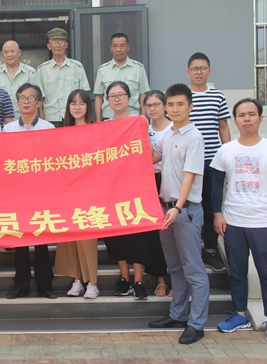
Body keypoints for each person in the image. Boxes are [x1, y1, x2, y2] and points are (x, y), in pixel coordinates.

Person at [211, 98, 267, 344]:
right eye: (242, 115)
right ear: (235, 120)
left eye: (252, 114)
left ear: (260, 118)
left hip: (263, 222)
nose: (247, 118)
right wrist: (217, 214)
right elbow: (216, 186)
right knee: (237, 272)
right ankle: (240, 314)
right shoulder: (226, 150)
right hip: (233, 221)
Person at [149, 83, 209, 345]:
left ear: (190, 107)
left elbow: (189, 176)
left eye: (180, 104)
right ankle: (178, 314)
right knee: (174, 267)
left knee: (193, 269)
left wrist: (177, 207)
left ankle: (197, 324)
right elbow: (151, 158)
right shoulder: (168, 135)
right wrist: (132, 133)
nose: (174, 109)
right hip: (166, 209)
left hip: (184, 211)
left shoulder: (194, 137)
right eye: (170, 104)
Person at [3, 84, 56, 300]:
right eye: (22, 98)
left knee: (41, 239)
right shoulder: (8, 129)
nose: (26, 101)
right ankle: (21, 285)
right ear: (17, 103)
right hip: (17, 191)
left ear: (39, 103)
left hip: (41, 190)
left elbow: (53, 158)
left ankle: (45, 285)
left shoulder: (48, 128)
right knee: (20, 240)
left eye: (31, 98)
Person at [102, 81, 151, 300]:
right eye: (112, 96)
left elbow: (148, 151)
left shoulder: (139, 121)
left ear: (129, 97)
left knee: (136, 235)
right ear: (107, 100)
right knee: (115, 236)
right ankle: (125, 278)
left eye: (120, 95)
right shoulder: (104, 125)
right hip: (111, 188)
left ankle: (139, 280)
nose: (117, 99)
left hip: (135, 187)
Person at [187, 52, 231, 272]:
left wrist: (228, 155)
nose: (199, 72)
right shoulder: (182, 97)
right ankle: (192, 250)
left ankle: (211, 250)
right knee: (190, 206)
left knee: (212, 206)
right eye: (195, 69)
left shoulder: (217, 96)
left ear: (209, 71)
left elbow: (223, 126)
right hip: (188, 163)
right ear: (188, 72)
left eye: (202, 68)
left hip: (213, 161)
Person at [53, 89, 99, 299]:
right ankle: (77, 279)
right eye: (73, 103)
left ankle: (93, 282)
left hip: (89, 191)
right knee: (70, 238)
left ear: (88, 106)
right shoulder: (62, 133)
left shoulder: (97, 130)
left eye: (81, 103)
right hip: (68, 192)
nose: (77, 107)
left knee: (87, 238)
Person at [144, 90, 172, 297]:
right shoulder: (142, 129)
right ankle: (161, 280)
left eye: (156, 104)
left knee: (174, 232)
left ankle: (178, 282)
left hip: (172, 182)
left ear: (165, 106)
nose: (152, 109)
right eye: (148, 105)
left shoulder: (175, 128)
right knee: (155, 235)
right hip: (149, 181)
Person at [34, 27, 90, 127]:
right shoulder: (42, 69)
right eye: (54, 42)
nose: (58, 45)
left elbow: (84, 95)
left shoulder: (77, 67)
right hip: (50, 118)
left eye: (61, 42)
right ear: (49, 46)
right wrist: (41, 119)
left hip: (73, 117)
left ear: (66, 45)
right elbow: (40, 98)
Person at [93, 33, 150, 119]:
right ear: (111, 48)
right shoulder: (103, 70)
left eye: (122, 46)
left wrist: (143, 117)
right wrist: (98, 121)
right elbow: (99, 97)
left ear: (128, 47)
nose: (118, 49)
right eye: (115, 46)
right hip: (109, 117)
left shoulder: (138, 68)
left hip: (132, 117)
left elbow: (143, 94)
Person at [0, 40, 36, 119]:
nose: (9, 55)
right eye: (6, 52)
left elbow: (37, 97)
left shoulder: (30, 72)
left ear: (19, 52)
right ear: (2, 54)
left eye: (12, 51)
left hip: (24, 119)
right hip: (1, 120)